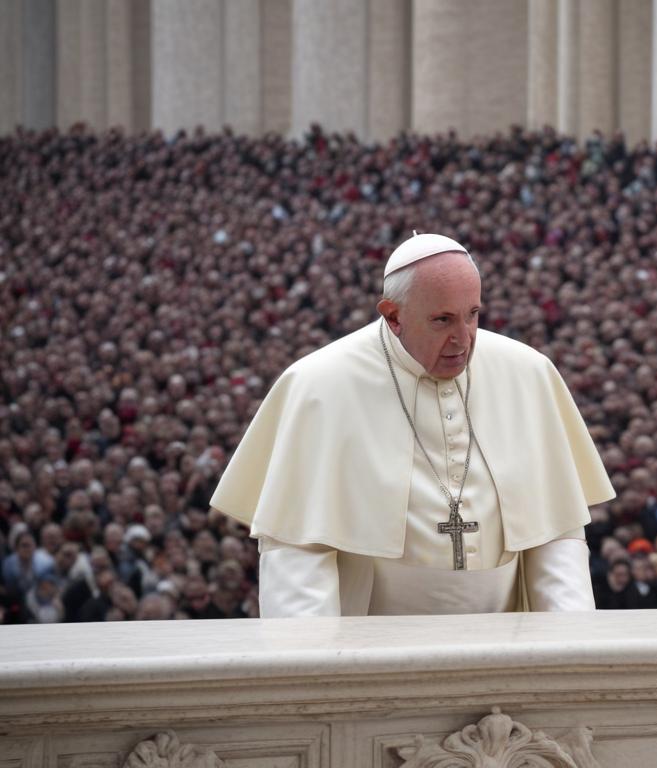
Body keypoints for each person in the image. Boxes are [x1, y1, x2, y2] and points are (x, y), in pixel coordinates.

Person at [211, 233, 615, 617]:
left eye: (472, 315)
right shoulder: (320, 387)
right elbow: (298, 555)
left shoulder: (528, 373)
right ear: (393, 316)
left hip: (507, 641)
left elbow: (556, 534)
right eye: (442, 321)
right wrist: (313, 673)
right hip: (371, 652)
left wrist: (570, 650)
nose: (464, 340)